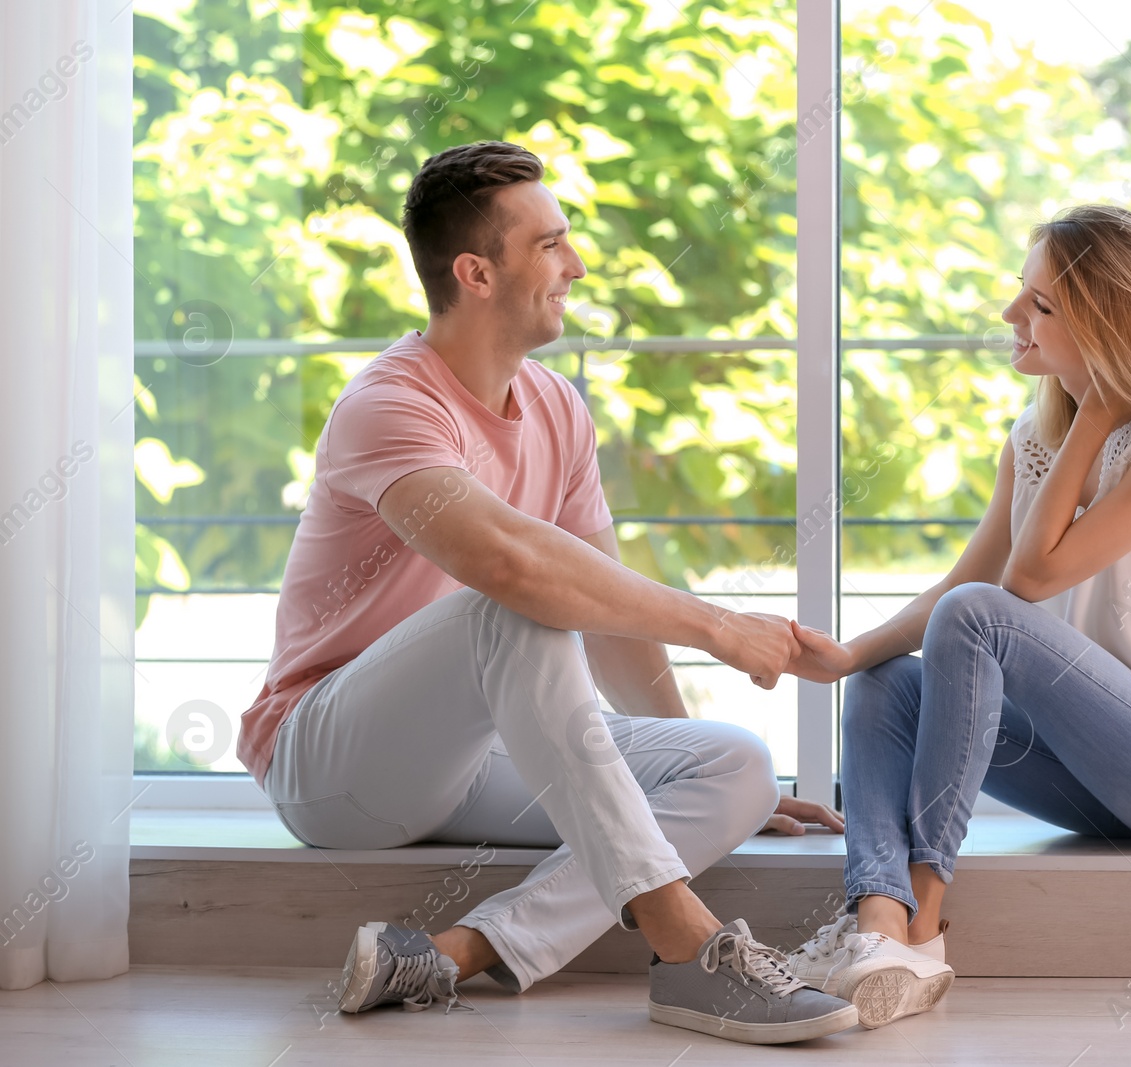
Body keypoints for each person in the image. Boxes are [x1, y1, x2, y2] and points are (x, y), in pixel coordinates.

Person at [238, 140, 858, 1045]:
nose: (576, 264)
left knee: (736, 764)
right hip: (335, 762)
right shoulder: (391, 402)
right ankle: (688, 951)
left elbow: (607, 618)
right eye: (552, 245)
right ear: (476, 272)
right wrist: (719, 626)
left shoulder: (558, 407)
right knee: (515, 606)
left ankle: (454, 953)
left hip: (482, 752)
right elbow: (513, 567)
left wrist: (676, 743)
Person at [783, 203, 1131, 1028]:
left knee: (984, 615)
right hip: (1096, 774)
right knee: (883, 683)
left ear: (1109, 325)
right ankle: (878, 923)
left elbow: (1027, 579)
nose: (1014, 316)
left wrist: (1095, 413)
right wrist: (848, 654)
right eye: (1024, 294)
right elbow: (962, 586)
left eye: (1041, 305)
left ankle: (928, 917)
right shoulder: (1034, 440)